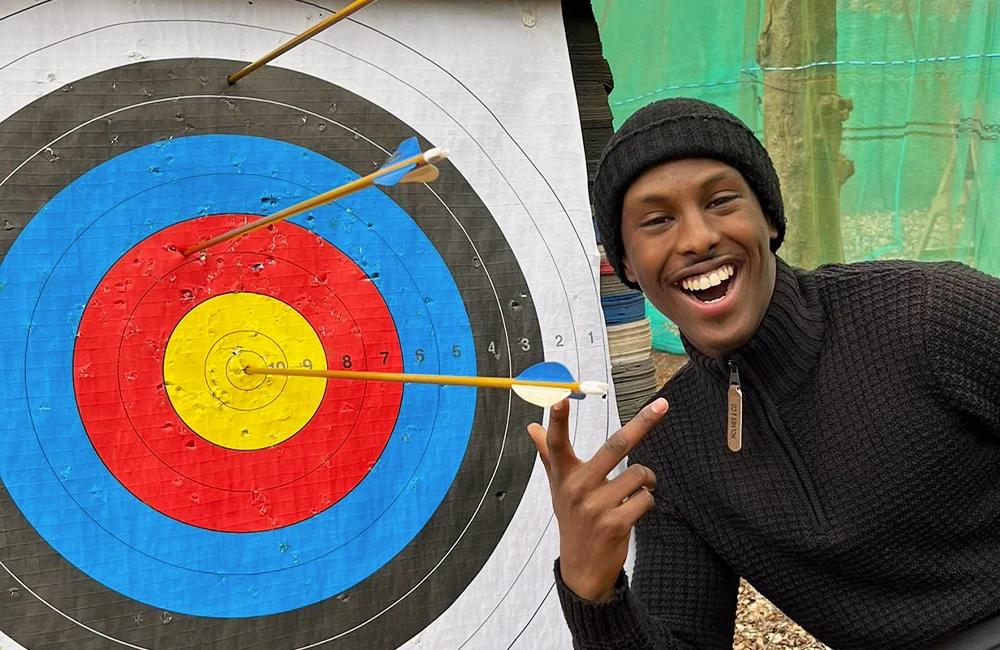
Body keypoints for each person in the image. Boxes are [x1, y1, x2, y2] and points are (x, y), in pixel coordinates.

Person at [526, 98, 1000, 650]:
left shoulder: (931, 315)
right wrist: (593, 593)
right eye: (657, 220)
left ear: (770, 219)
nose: (698, 238)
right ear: (627, 264)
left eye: (722, 201)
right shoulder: (672, 452)